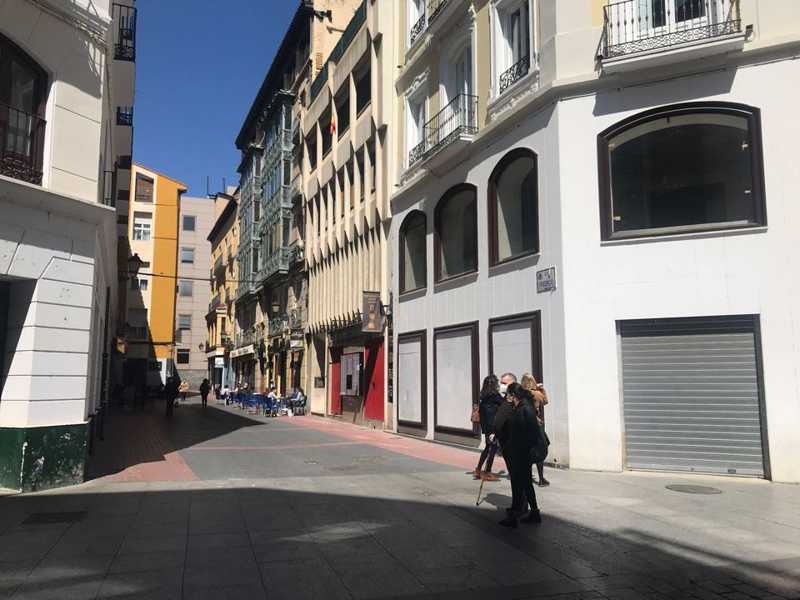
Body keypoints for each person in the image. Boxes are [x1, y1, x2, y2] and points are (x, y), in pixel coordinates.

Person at [499, 382, 543, 528]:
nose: (507, 398)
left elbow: (530, 433)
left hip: (522, 453)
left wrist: (522, 448)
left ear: (513, 395)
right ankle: (534, 513)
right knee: (526, 484)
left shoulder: (525, 409)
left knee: (519, 484)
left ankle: (514, 516)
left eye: (508, 395)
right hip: (521, 452)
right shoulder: (521, 407)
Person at [521, 373, 550, 487]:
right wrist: (542, 389)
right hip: (536, 424)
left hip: (524, 424)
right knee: (540, 448)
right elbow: (545, 401)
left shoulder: (521, 394)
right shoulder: (537, 393)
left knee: (527, 450)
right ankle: (541, 478)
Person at [474, 375, 503, 481]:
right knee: (492, 448)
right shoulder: (495, 396)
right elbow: (504, 403)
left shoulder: (484, 396)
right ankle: (487, 472)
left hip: (486, 426)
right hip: (493, 426)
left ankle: (478, 469)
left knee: (488, 447)